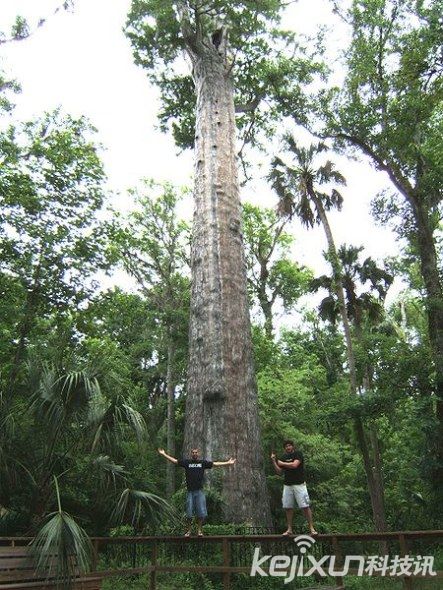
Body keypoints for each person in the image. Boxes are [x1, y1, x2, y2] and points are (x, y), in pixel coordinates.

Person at [158, 447, 236, 536]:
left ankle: (199, 530)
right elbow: (175, 461)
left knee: (201, 512)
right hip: (190, 492)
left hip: (199, 491)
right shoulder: (187, 463)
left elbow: (215, 464)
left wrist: (228, 463)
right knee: (189, 513)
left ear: (198, 454)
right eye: (193, 453)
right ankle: (189, 531)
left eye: (196, 452)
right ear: (191, 454)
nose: (195, 454)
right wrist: (164, 454)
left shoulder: (202, 463)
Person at [271, 439, 317, 536]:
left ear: (293, 446)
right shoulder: (284, 457)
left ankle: (311, 528)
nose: (288, 448)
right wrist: (274, 461)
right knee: (288, 507)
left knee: (305, 506)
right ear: (284, 448)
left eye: (289, 446)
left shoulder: (298, 454)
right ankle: (289, 529)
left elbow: (295, 465)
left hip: (300, 485)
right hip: (287, 485)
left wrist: (282, 463)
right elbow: (279, 472)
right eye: (286, 446)